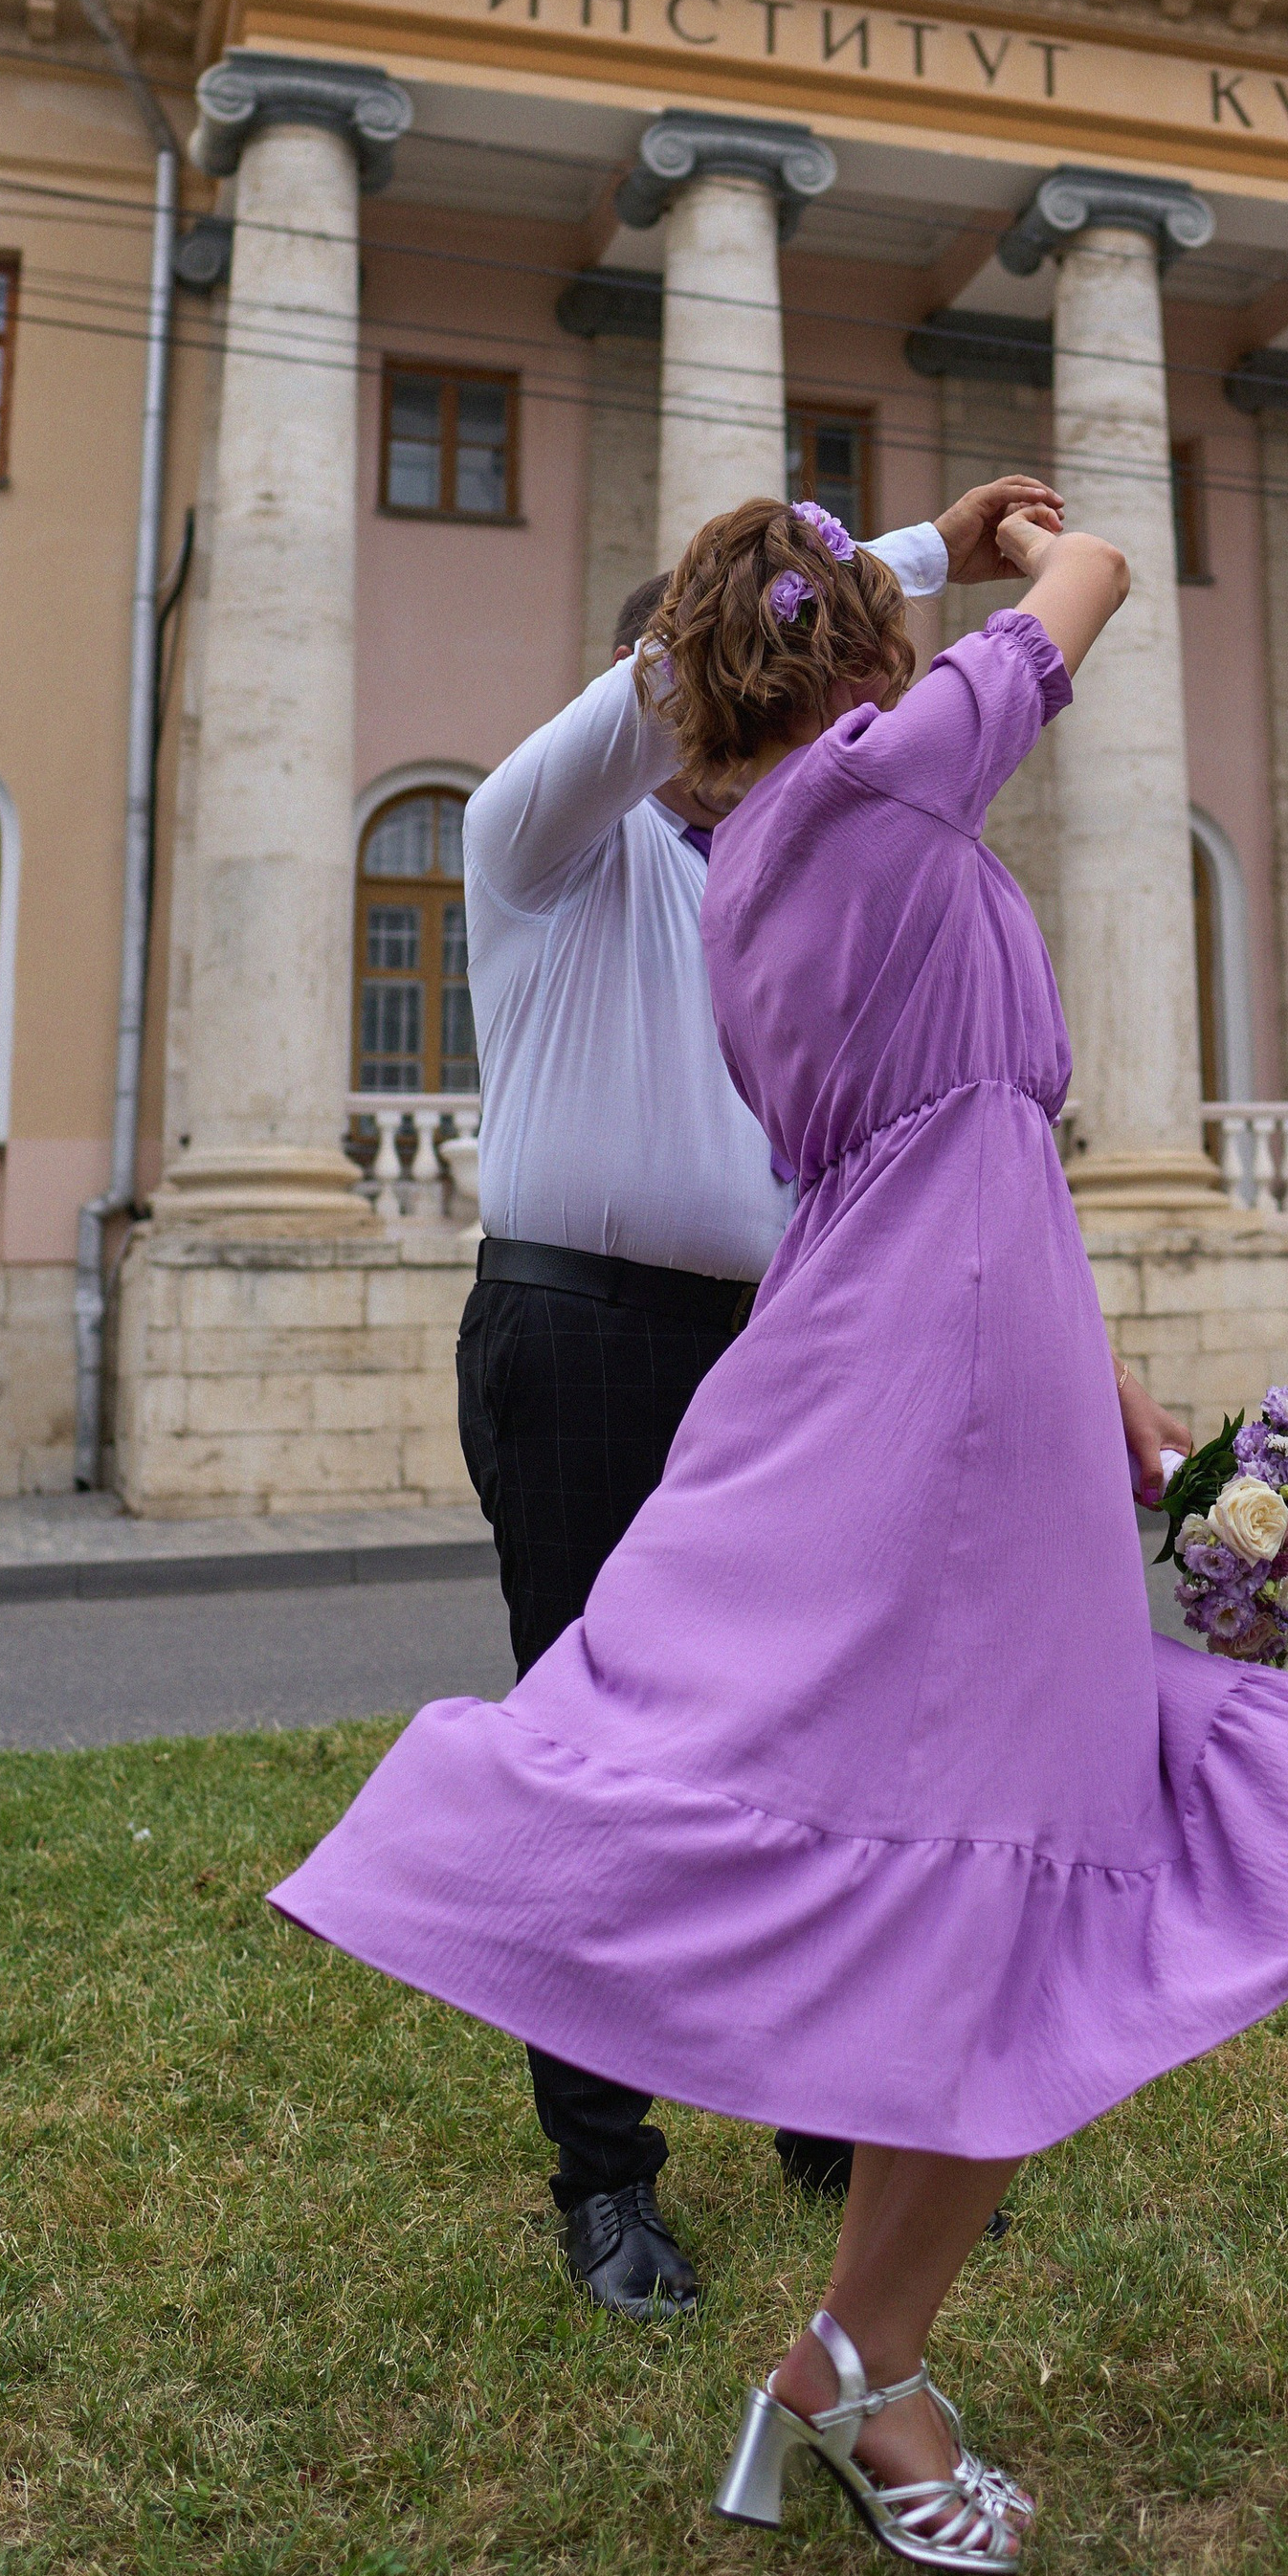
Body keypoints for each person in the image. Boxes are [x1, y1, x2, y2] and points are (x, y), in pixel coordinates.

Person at [275, 496, 1288, 2576]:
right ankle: (790, 2304)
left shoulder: (799, 851)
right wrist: (1035, 533)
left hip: (931, 1334)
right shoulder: (844, 799)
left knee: (1017, 1856)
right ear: (829, 675)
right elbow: (1079, 602)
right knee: (1005, 1844)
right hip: (848, 1346)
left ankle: (857, 2349)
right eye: (869, 638)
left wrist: (1092, 1385)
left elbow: (958, 1146)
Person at [452, 472, 1057, 2323]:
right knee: (595, 1742)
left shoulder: (812, 873)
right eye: (763, 683)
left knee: (823, 1732)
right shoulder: (545, 843)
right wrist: (926, 560)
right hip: (578, 1335)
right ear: (689, 688)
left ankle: (819, 2102)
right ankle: (605, 2178)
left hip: (790, 1340)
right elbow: (703, 657)